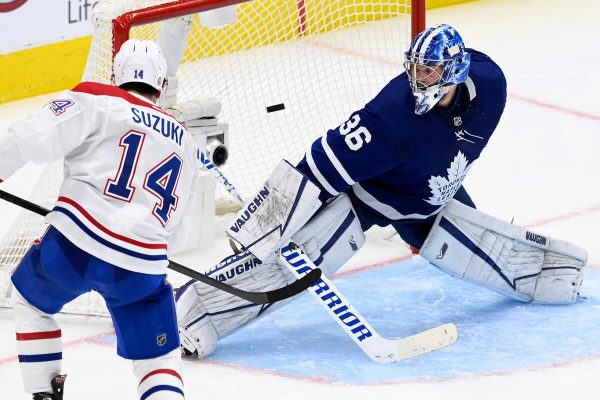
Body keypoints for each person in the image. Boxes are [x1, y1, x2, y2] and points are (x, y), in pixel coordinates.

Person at [175, 24, 585, 359]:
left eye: (430, 71)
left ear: (456, 73)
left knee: (491, 250)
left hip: (433, 196)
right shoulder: (389, 118)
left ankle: (553, 277)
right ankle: (195, 314)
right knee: (293, 267)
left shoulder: (491, 83)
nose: (419, 79)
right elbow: (317, 165)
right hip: (367, 200)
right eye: (416, 68)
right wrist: (262, 228)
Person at [0, 39, 198, 399]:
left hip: (71, 250)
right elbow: (179, 231)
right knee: (158, 360)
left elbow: (31, 137)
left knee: (31, 302)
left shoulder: (97, 98)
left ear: (114, 75)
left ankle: (45, 394)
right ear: (162, 86)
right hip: (140, 268)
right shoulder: (185, 141)